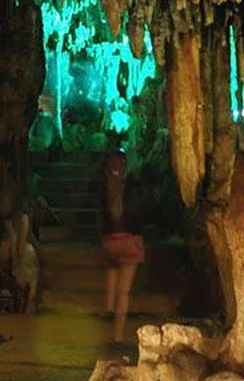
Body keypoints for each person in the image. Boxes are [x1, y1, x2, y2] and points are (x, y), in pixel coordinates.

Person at [100, 147, 144, 344]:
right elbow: (138, 212)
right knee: (124, 291)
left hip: (111, 240)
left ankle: (108, 306)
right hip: (130, 240)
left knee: (112, 273)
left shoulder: (106, 186)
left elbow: (101, 216)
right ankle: (118, 335)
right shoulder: (132, 186)